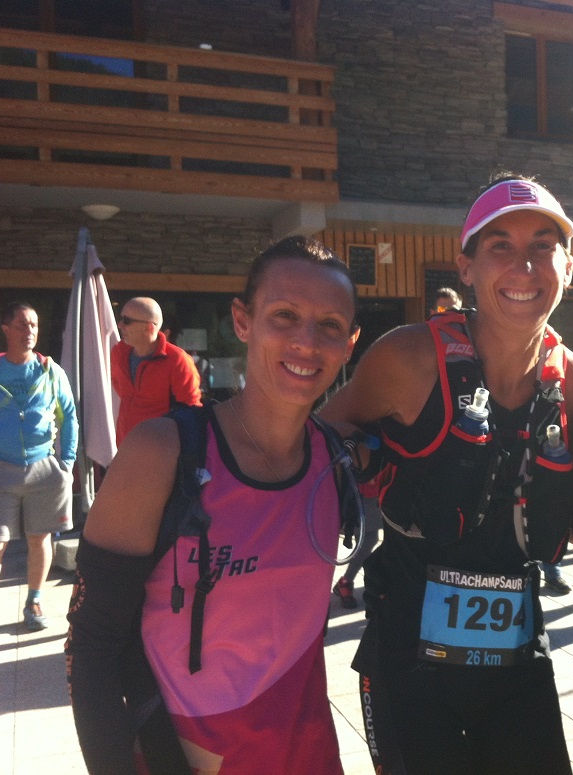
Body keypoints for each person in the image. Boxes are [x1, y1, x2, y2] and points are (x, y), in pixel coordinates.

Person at [321, 173, 573, 774]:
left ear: (568, 266)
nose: (523, 266)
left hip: (518, 657)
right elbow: (318, 440)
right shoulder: (409, 357)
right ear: (466, 267)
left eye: (542, 247)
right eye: (500, 246)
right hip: (408, 661)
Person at [66, 237, 362, 773]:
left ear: (350, 343)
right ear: (242, 321)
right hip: (187, 757)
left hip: (310, 754)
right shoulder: (163, 452)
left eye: (331, 326)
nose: (306, 342)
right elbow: (91, 646)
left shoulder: (334, 458)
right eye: (285, 315)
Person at [0, 302, 77, 642]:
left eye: (35, 326)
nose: (30, 332)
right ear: (6, 328)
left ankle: (35, 603)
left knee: (40, 539)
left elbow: (68, 416)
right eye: (23, 325)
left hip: (44, 468)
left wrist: (66, 463)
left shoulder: (51, 372)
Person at [111, 296, 202, 446]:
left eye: (127, 321)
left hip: (161, 451)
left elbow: (191, 411)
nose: (120, 325)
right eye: (121, 319)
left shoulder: (177, 360)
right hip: (125, 448)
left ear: (149, 327)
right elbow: (121, 390)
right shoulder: (118, 353)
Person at [333, 474, 384, 609]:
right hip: (354, 487)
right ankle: (345, 583)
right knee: (366, 539)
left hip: (374, 487)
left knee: (369, 539)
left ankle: (345, 582)